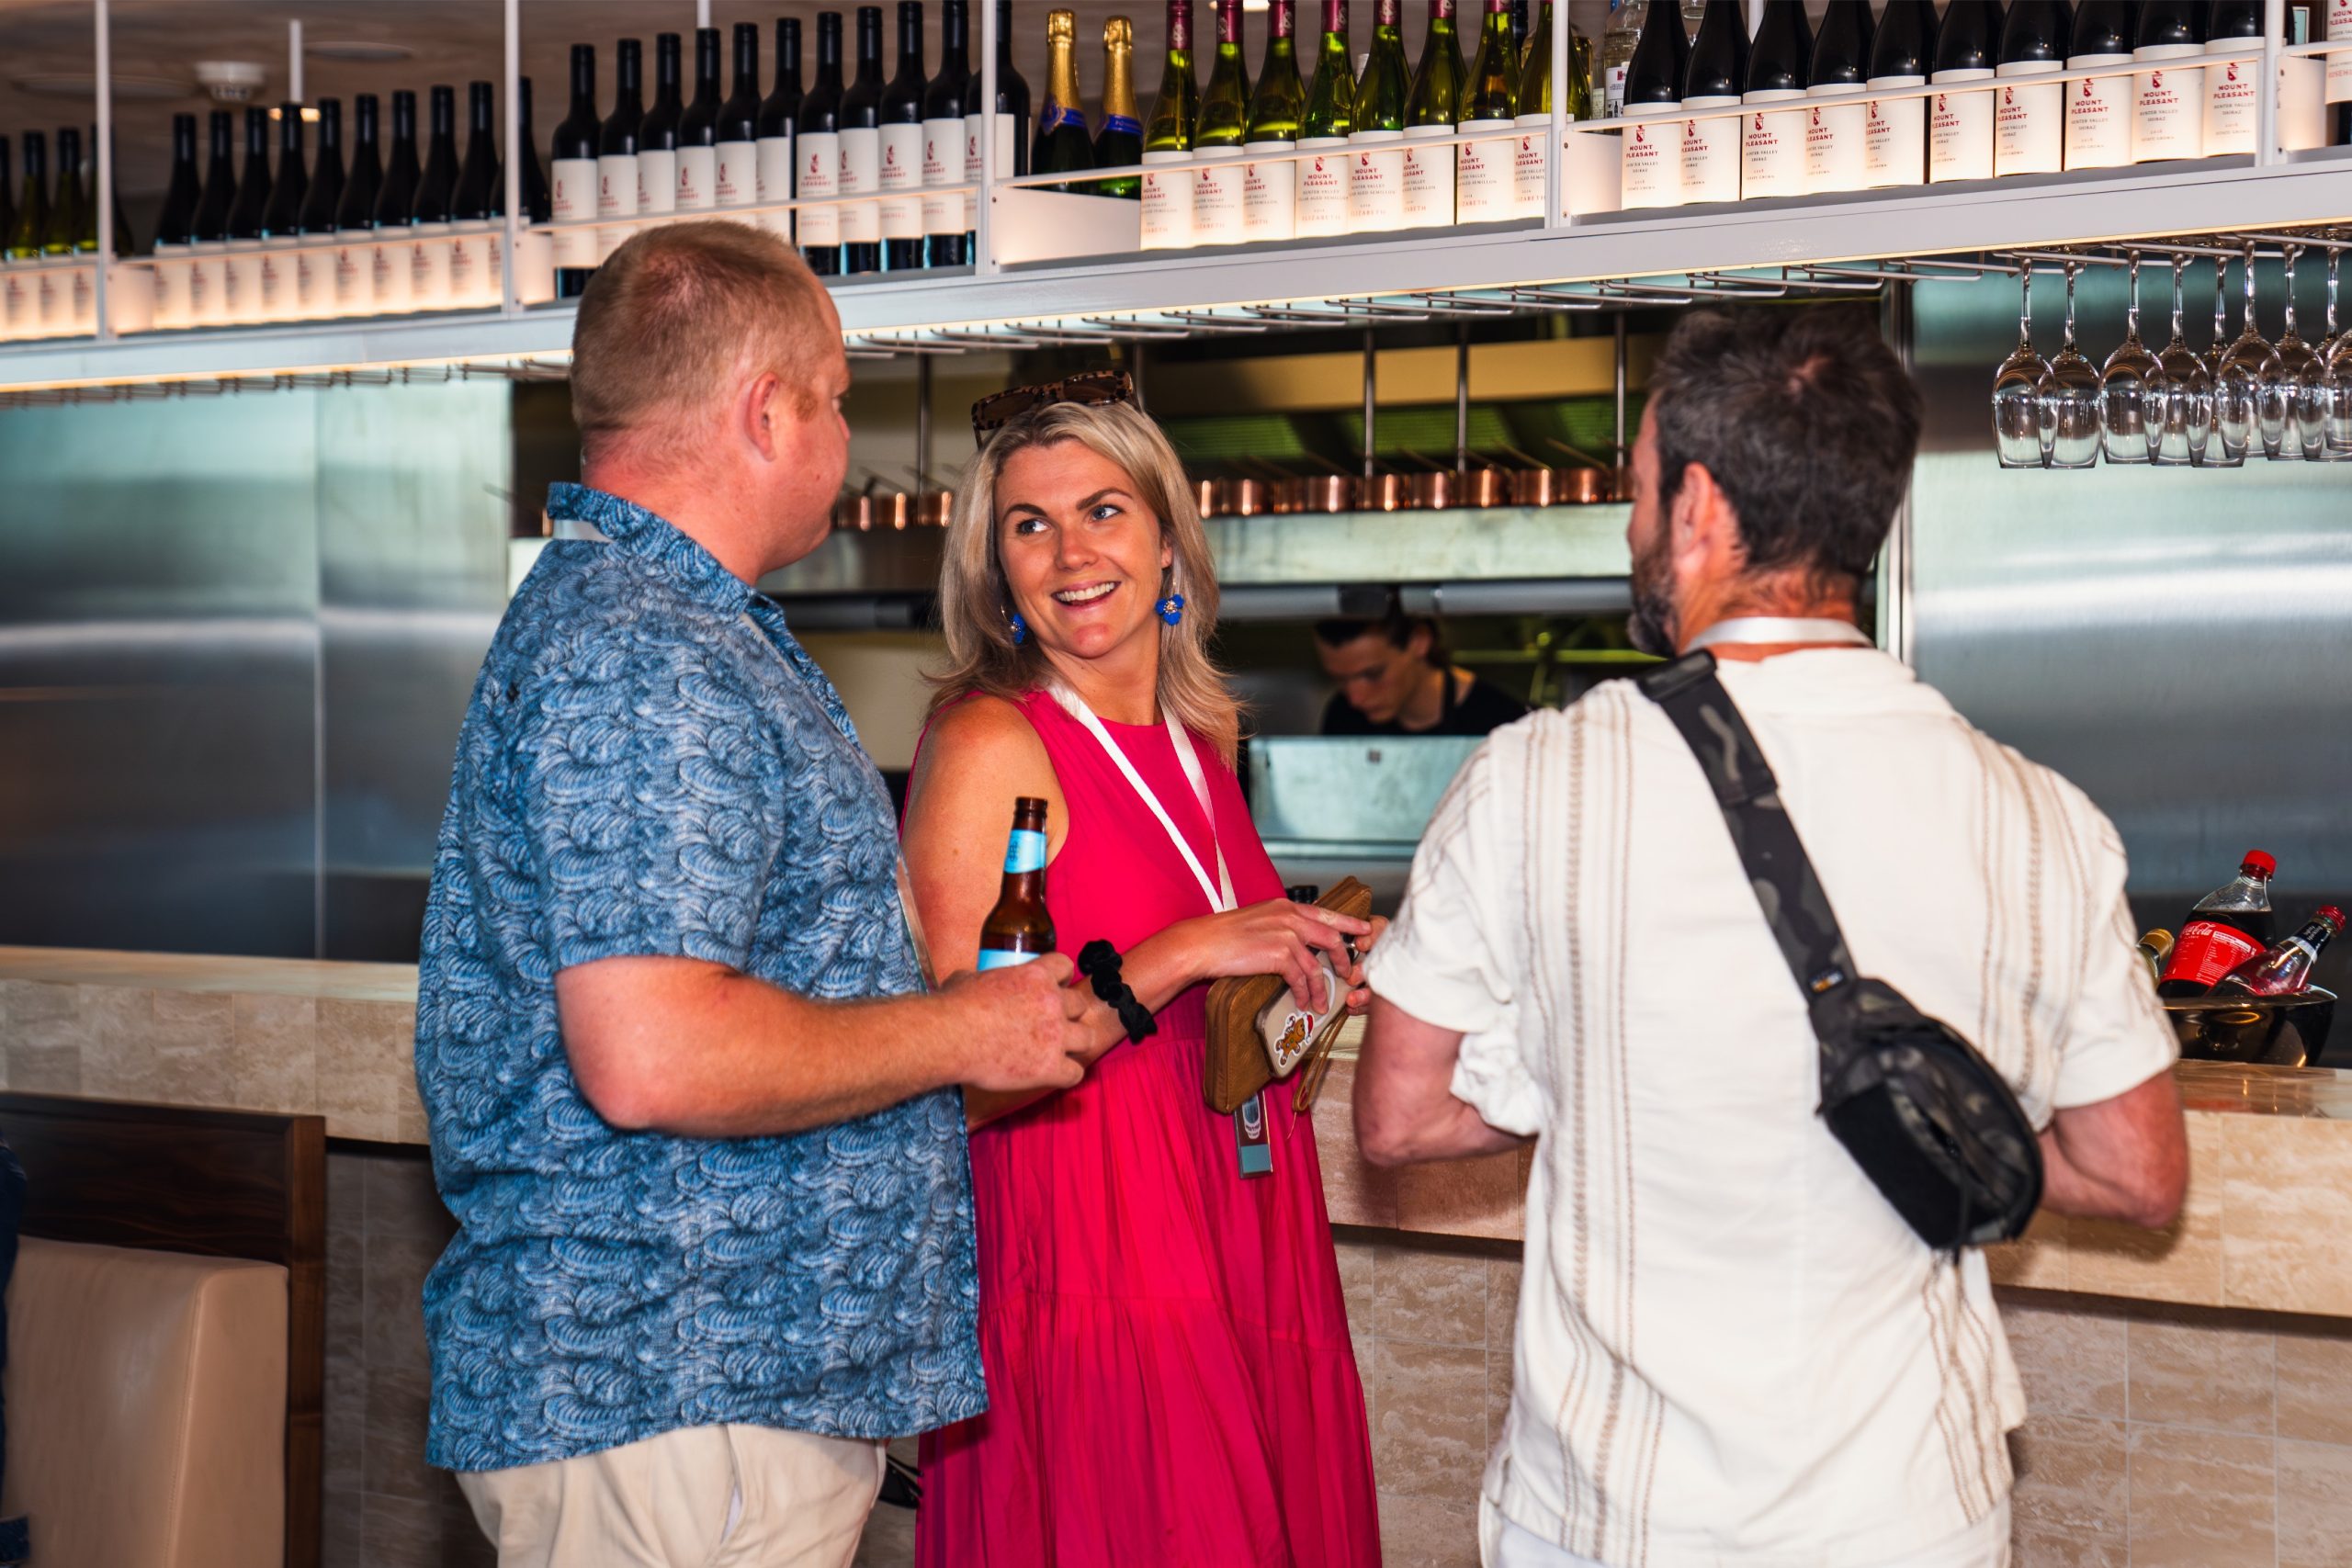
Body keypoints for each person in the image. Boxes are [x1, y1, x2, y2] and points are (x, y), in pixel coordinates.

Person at [1353, 306, 2188, 1568]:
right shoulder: (2040, 814)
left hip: (1613, 1518)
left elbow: (1400, 1119)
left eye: (1639, 489)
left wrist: (1586, 1073)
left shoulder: (1536, 778)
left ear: (1696, 508)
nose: (1631, 526)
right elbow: (2137, 1175)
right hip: (1908, 1517)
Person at [413, 221, 1110, 1568]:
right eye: (837, 401)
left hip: (705, 1390)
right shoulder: (644, 653)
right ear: (766, 410)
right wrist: (963, 1028)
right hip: (675, 1386)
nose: (844, 436)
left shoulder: (661, 623)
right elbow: (653, 1053)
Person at [899, 378, 1384, 1568]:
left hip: (1240, 1222)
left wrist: (1308, 979)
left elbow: (1215, 999)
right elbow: (959, 1080)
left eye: (1103, 510)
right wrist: (1179, 956)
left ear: (1167, 538)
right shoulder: (990, 739)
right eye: (1030, 524)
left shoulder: (1201, 737)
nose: (1072, 553)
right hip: (1091, 1248)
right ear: (994, 568)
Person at [1315, 598, 1528, 737]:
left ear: (1419, 641)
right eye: (1340, 679)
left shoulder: (1499, 721)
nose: (1355, 698)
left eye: (1373, 675)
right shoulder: (1342, 717)